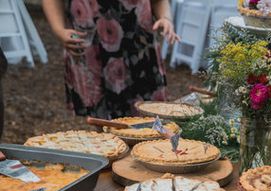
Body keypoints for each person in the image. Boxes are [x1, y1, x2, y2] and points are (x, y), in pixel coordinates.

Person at [42, 0, 180, 118]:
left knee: (148, 120)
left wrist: (165, 18)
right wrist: (58, 29)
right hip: (92, 50)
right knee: (104, 125)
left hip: (139, 49)